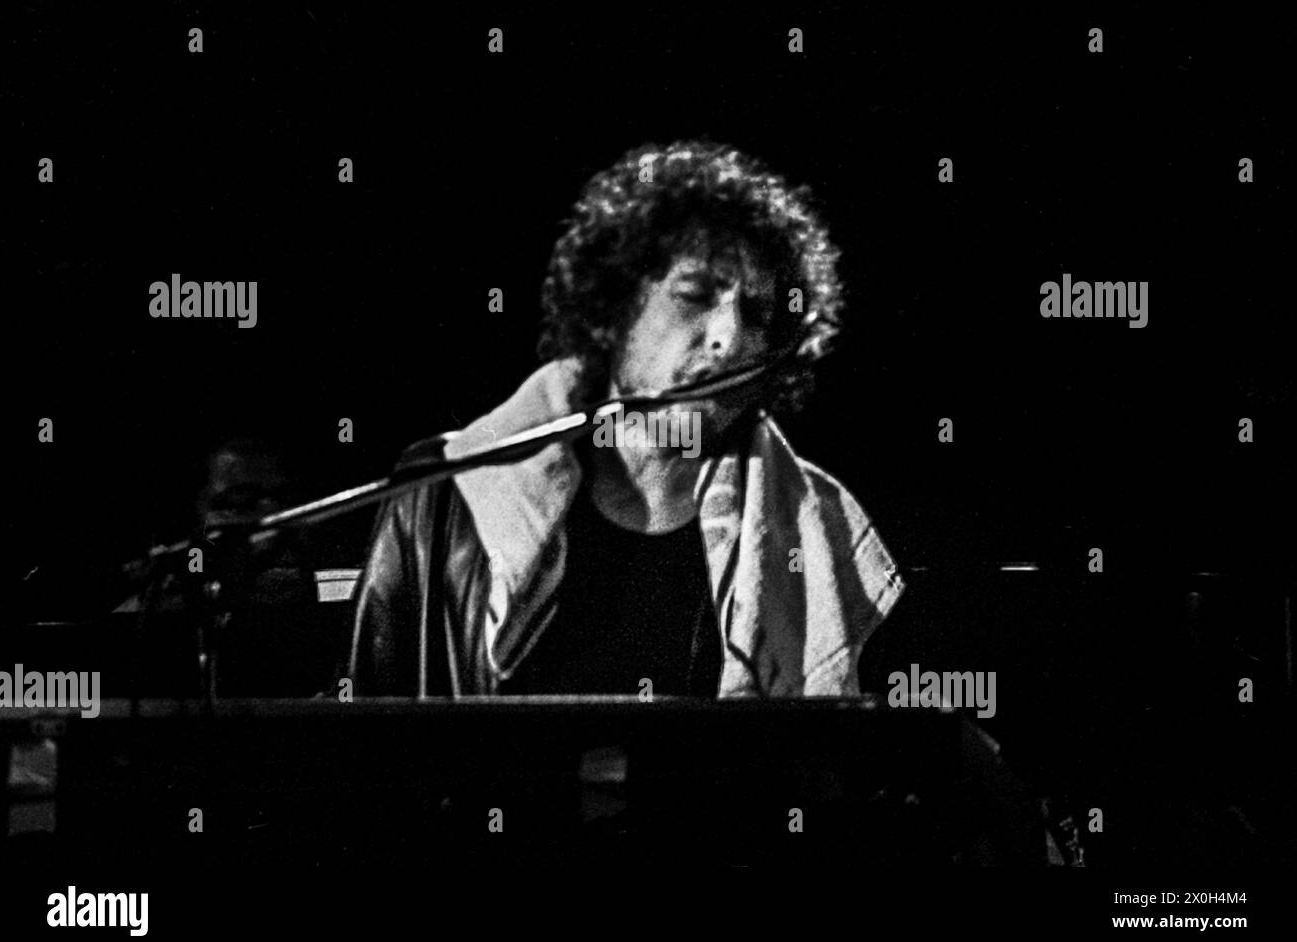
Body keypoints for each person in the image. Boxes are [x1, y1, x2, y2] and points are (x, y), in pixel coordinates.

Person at [346, 140, 904, 698]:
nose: (726, 338)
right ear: (615, 304)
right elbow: (367, 752)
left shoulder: (822, 524)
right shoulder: (443, 493)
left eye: (756, 316)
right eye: (694, 295)